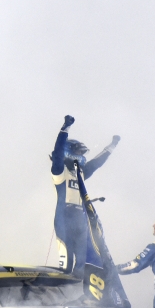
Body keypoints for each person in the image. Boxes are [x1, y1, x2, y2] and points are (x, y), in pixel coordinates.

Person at [50, 115, 120, 277]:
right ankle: (61, 286)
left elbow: (96, 162)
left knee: (82, 264)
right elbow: (58, 152)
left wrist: (112, 145)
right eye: (77, 152)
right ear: (70, 152)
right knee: (66, 263)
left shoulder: (81, 172)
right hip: (64, 215)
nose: (81, 155)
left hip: (80, 218)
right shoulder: (59, 171)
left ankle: (80, 293)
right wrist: (65, 128)